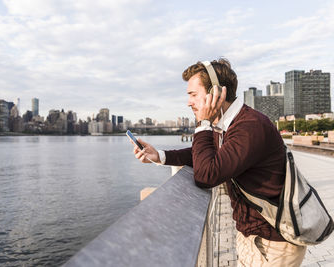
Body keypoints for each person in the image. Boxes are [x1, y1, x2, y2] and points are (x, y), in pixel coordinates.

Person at [131, 58, 306, 266]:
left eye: (193, 94)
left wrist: (203, 123)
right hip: (256, 237)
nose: (189, 102)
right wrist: (159, 155)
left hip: (272, 244)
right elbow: (203, 153)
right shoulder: (231, 124)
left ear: (216, 94)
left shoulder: (249, 126)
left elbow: (206, 176)